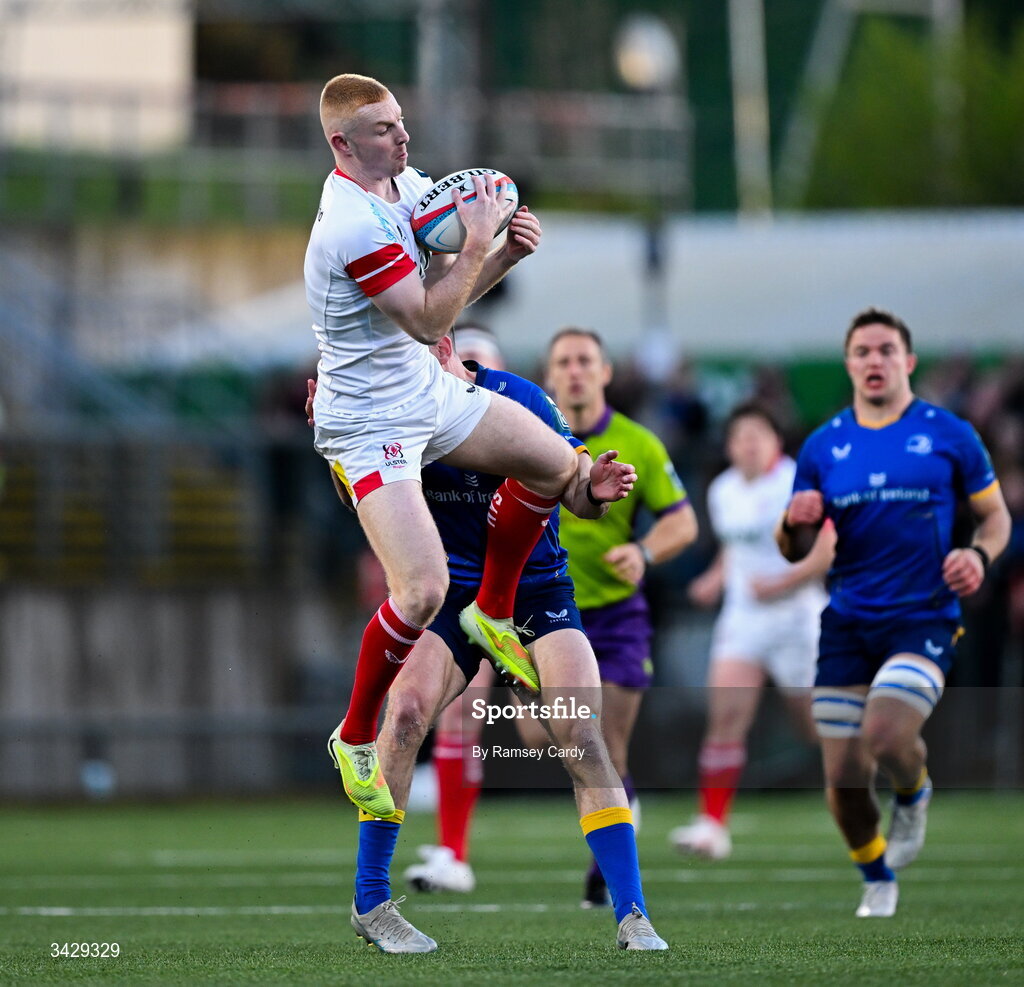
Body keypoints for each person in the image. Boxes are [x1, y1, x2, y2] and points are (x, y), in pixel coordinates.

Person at [310, 331, 669, 953]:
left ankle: (633, 913)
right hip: (449, 594)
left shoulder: (518, 399)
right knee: (407, 716)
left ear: (444, 344)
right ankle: (370, 900)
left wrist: (597, 488)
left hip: (536, 591)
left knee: (580, 731)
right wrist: (336, 447)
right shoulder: (397, 407)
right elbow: (363, 501)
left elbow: (576, 487)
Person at [305, 73, 581, 819]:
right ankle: (354, 735)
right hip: (370, 422)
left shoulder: (407, 186)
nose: (402, 137)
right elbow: (428, 320)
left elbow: (444, 300)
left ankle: (492, 608)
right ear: (343, 144)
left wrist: (504, 258)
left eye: (400, 122)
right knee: (422, 590)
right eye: (385, 130)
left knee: (555, 461)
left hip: (425, 392)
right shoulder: (350, 224)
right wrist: (482, 242)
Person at [777, 307, 1010, 918]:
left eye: (886, 350)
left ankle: (915, 788)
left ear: (907, 361)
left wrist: (980, 555)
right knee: (844, 780)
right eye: (862, 352)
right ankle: (875, 874)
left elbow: (996, 517)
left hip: (923, 617)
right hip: (848, 623)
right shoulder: (824, 444)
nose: (874, 361)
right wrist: (794, 526)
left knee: (884, 734)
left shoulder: (950, 432)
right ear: (849, 364)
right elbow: (793, 545)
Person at [542, 327, 698, 908]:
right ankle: (621, 812)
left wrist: (645, 551)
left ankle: (607, 866)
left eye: (586, 360)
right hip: (546, 618)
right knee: (542, 735)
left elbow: (683, 521)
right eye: (565, 362)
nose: (576, 371)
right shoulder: (531, 436)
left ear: (606, 372)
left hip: (617, 619)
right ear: (550, 375)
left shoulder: (640, 442)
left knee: (606, 743)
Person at [670, 402, 834, 860]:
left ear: (776, 441)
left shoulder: (797, 484)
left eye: (758, 433)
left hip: (798, 620)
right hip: (743, 619)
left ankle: (859, 785)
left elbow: (827, 552)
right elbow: (733, 548)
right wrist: (715, 578)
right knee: (724, 718)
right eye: (740, 435)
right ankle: (711, 826)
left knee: (813, 726)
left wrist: (782, 582)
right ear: (729, 445)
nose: (749, 443)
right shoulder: (723, 489)